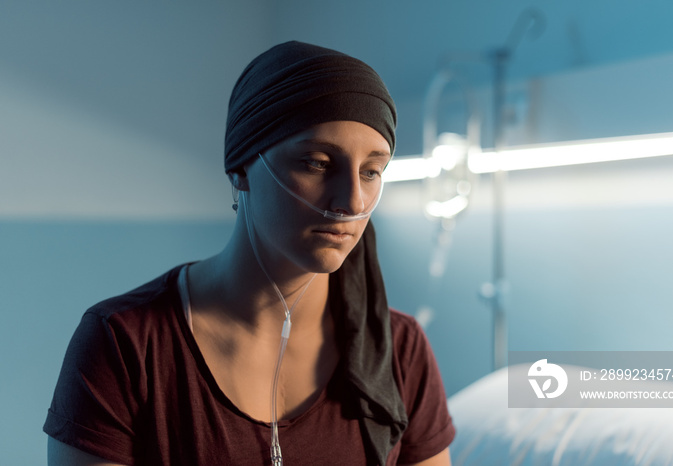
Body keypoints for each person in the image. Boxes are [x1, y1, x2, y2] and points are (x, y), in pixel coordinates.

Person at [44, 40, 455, 466]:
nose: (351, 201)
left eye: (371, 171)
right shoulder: (126, 345)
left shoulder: (400, 351)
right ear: (241, 167)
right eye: (316, 163)